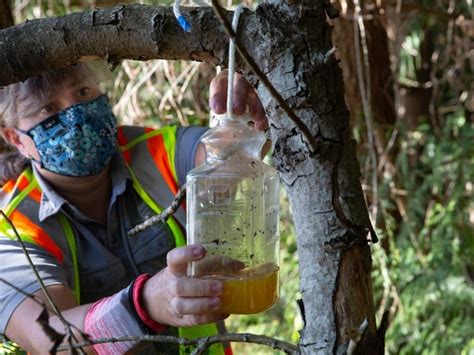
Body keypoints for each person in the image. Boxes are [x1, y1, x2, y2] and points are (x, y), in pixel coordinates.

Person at [0, 63, 268, 354]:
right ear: (16, 139)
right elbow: (54, 342)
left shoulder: (156, 151)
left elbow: (234, 154)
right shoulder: (13, 224)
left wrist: (249, 112)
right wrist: (146, 305)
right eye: (49, 108)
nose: (75, 114)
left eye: (82, 92)